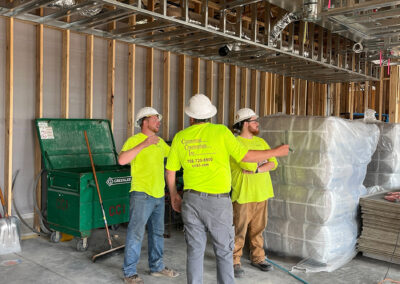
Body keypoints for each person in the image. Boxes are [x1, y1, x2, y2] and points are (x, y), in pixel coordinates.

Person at [165, 94, 289, 284]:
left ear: (190, 117)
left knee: (195, 251)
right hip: (217, 202)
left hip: (191, 200)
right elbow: (245, 157)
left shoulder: (180, 137)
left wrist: (174, 195)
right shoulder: (221, 132)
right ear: (210, 116)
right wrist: (276, 152)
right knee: (223, 251)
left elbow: (170, 171)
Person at [119, 107, 179, 284]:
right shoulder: (134, 140)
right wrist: (144, 144)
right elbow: (122, 160)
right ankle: (129, 273)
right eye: (155, 118)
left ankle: (157, 267)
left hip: (159, 194)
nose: (158, 122)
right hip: (141, 194)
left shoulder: (160, 142)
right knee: (135, 234)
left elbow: (175, 156)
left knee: (157, 233)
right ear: (144, 121)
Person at [230, 108, 277, 278]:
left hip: (262, 192)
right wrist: (261, 161)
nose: (257, 123)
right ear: (244, 124)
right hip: (243, 194)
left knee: (259, 229)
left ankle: (258, 258)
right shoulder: (235, 143)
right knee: (239, 230)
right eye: (254, 120)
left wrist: (258, 167)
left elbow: (274, 163)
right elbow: (247, 164)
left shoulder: (261, 142)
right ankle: (235, 261)